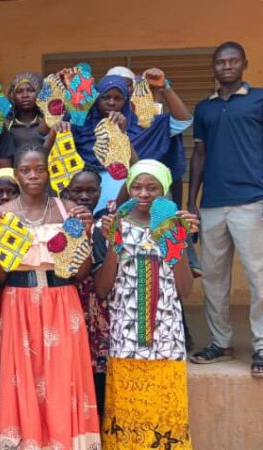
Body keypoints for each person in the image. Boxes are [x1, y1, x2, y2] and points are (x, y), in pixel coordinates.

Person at [0, 145, 101, 449]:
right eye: (26, 170)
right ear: (16, 175)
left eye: (40, 169)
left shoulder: (68, 210)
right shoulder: (0, 214)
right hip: (18, 302)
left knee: (64, 377)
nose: (33, 175)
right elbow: (0, 277)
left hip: (62, 299)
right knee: (22, 377)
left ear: (49, 172)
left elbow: (81, 272)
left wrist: (87, 236)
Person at [94, 160, 198, 449]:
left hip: (166, 340)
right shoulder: (114, 226)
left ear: (164, 190)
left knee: (166, 415)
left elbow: (185, 290)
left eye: (152, 187)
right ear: (128, 188)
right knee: (127, 415)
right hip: (125, 341)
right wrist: (114, 243)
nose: (143, 193)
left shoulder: (175, 226)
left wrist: (176, 244)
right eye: (136, 186)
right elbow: (102, 289)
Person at [188, 41, 263, 377]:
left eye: (233, 60)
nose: (227, 66)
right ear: (213, 67)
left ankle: (261, 345)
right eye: (221, 61)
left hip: (252, 200)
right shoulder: (204, 108)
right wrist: (192, 201)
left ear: (244, 63)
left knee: (258, 275)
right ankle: (221, 341)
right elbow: (199, 154)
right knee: (214, 278)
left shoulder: (259, 99)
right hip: (214, 204)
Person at [65, 74, 191, 212]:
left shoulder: (144, 126)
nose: (111, 103)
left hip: (134, 206)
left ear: (126, 101)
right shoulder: (81, 128)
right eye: (105, 98)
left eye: (118, 98)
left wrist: (165, 87)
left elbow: (183, 121)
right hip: (87, 203)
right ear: (96, 99)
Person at [105, 66, 193, 206]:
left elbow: (183, 121)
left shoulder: (147, 121)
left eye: (126, 85)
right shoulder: (88, 124)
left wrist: (165, 87)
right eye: (108, 93)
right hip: (104, 193)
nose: (119, 90)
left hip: (148, 195)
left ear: (134, 88)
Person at [61, 166, 110, 417]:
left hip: (100, 312)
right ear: (66, 191)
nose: (84, 196)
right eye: (77, 191)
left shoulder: (105, 225)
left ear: (100, 192)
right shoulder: (59, 225)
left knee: (99, 376)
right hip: (68, 305)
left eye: (91, 191)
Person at [5, 72, 47, 152]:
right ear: (12, 96)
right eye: (19, 91)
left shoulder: (47, 122)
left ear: (39, 93)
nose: (25, 95)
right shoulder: (7, 125)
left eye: (30, 90)